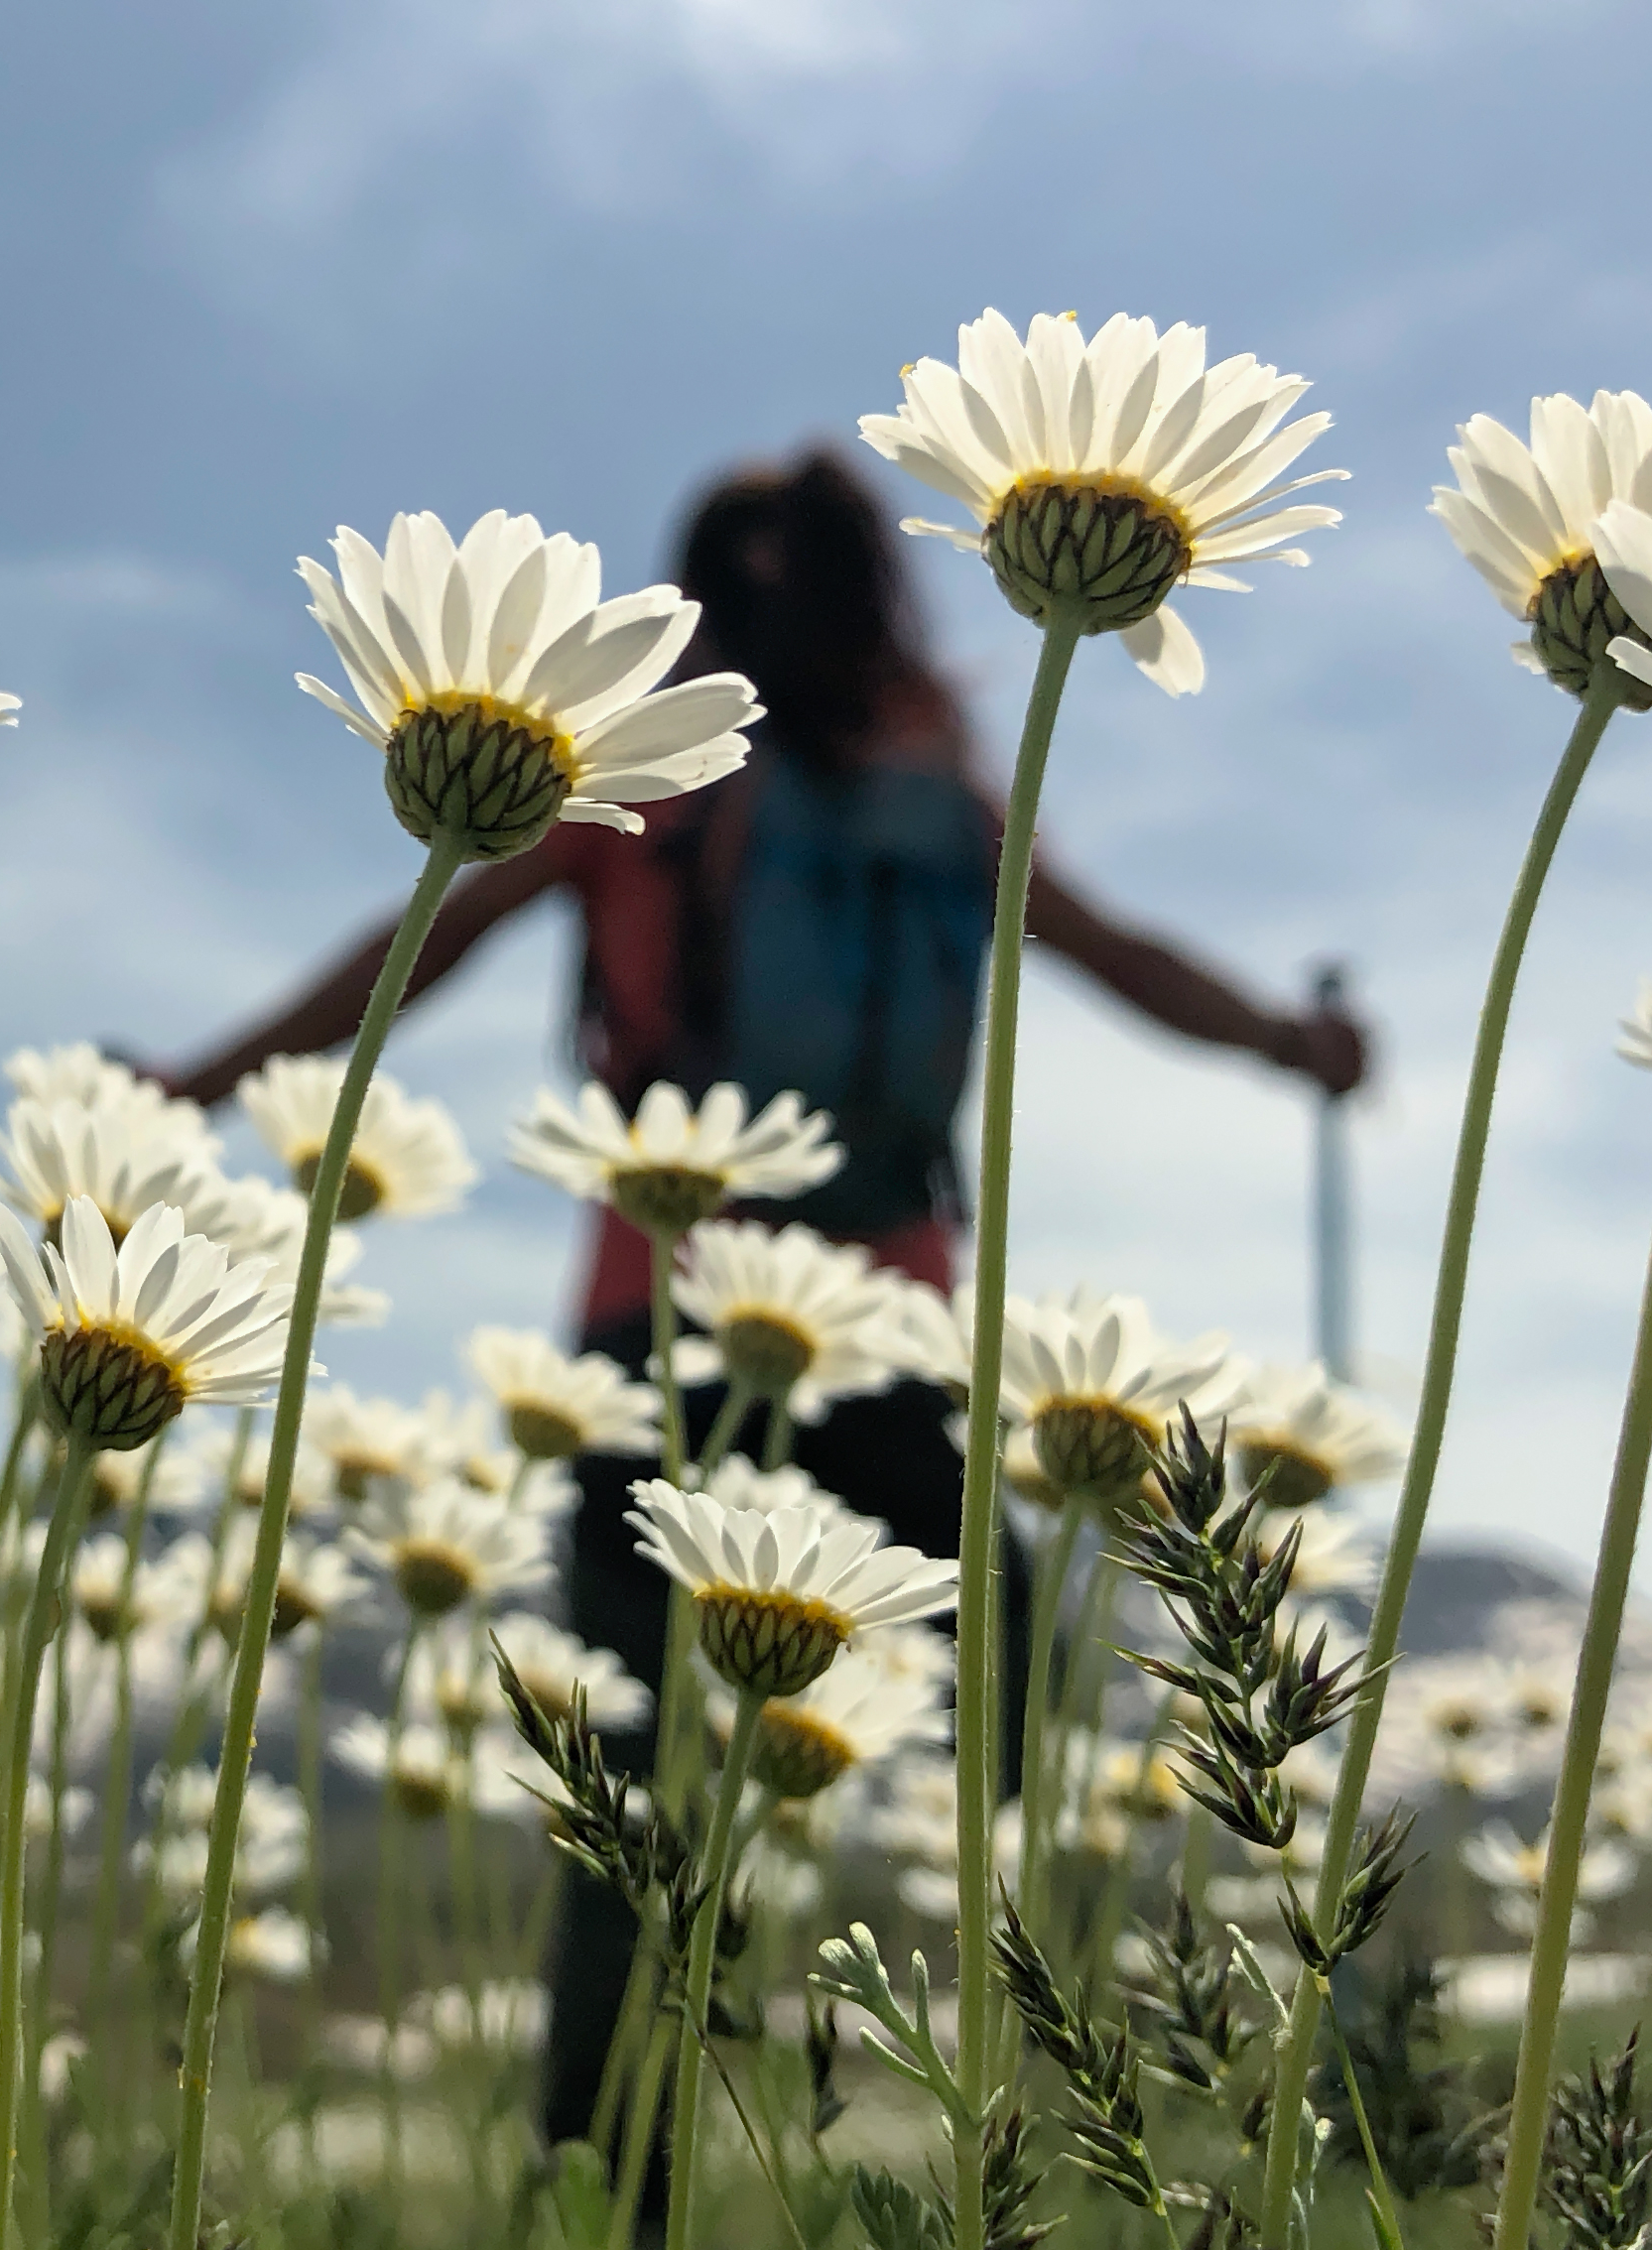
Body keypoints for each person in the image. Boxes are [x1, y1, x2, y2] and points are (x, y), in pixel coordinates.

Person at [148, 446, 1368, 2215]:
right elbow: (1117, 952)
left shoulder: (672, 771)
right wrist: (1284, 1043)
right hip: (875, 1328)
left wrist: (205, 1074)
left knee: (629, 1803)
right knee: (1001, 1715)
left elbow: (414, 951)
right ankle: (1061, 2119)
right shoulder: (923, 780)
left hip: (672, 1335)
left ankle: (611, 2189)